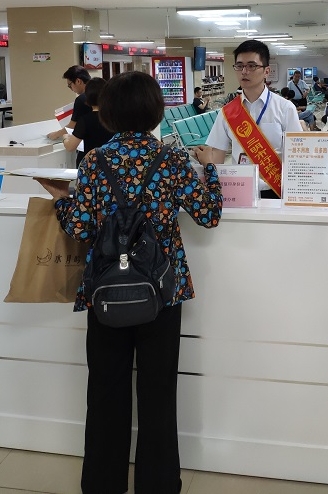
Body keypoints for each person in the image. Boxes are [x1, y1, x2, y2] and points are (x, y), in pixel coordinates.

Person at [35, 71, 223, 494]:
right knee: (158, 395)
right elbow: (209, 214)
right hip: (163, 290)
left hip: (105, 289)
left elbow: (80, 227)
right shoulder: (173, 160)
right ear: (156, 112)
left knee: (105, 392)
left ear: (108, 114)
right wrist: (210, 168)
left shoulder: (94, 161)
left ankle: (103, 484)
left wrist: (62, 200)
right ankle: (158, 484)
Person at [198, 39, 302, 199]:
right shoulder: (227, 112)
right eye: (239, 66)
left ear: (266, 71)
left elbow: (297, 156)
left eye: (251, 66)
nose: (244, 71)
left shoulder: (285, 108)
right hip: (239, 192)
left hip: (275, 191)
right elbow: (217, 159)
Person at [61, 77, 114, 164]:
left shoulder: (85, 120)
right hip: (111, 163)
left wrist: (65, 138)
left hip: (89, 164)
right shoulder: (114, 118)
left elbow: (70, 147)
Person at [47, 65, 92, 157]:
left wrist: (56, 134)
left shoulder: (82, 99)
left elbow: (72, 126)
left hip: (88, 149)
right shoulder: (103, 95)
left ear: (78, 81)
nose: (71, 89)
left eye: (70, 85)